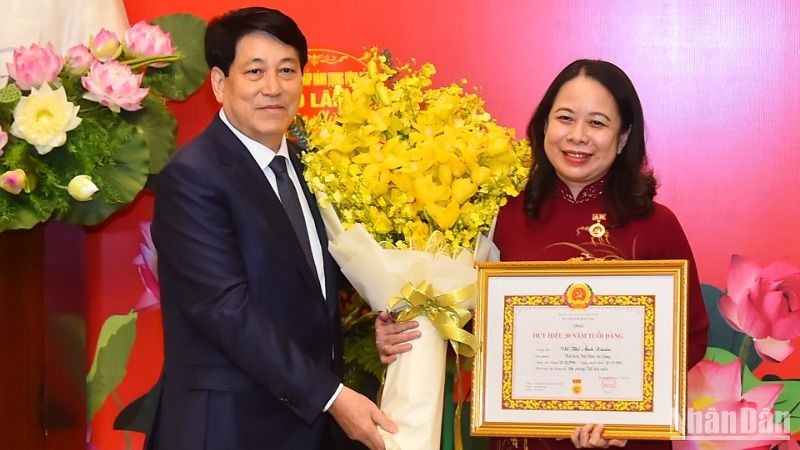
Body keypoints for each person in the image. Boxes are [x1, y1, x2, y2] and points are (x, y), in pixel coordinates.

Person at [375, 59, 709, 449]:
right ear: (543, 126)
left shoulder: (655, 225)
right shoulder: (498, 216)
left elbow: (692, 336)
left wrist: (629, 409)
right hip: (523, 437)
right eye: (565, 118)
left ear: (622, 138)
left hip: (623, 440)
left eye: (598, 123)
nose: (578, 136)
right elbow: (468, 327)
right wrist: (406, 331)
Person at [148, 7, 396, 450]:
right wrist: (333, 397)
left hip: (307, 428)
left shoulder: (308, 167)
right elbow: (226, 309)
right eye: (255, 71)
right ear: (220, 83)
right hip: (229, 427)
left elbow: (315, 287)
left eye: (287, 70)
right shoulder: (192, 177)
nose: (273, 88)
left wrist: (380, 316)